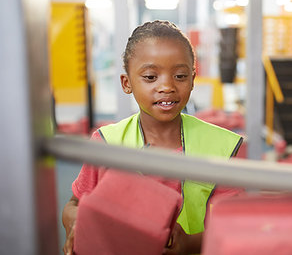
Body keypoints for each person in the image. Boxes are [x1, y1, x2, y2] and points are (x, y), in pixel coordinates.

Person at [62, 20, 243, 255]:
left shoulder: (221, 146)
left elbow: (231, 226)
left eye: (180, 76)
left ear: (192, 79)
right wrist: (77, 223)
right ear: (127, 83)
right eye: (150, 77)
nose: (167, 86)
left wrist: (189, 243)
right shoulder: (106, 142)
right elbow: (74, 204)